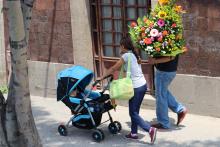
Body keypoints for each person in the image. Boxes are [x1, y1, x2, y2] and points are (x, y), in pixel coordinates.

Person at [98, 36, 157, 144]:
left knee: (133, 112)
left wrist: (101, 77)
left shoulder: (126, 56)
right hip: (142, 86)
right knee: (135, 111)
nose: (119, 48)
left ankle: (150, 129)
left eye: (120, 46)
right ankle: (134, 134)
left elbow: (113, 68)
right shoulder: (134, 55)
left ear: (123, 46)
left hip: (136, 87)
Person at [148, 55, 187, 129]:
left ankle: (164, 123)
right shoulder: (176, 43)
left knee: (160, 96)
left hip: (164, 72)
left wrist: (154, 61)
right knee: (162, 92)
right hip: (169, 71)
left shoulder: (168, 43)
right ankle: (180, 109)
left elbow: (170, 57)